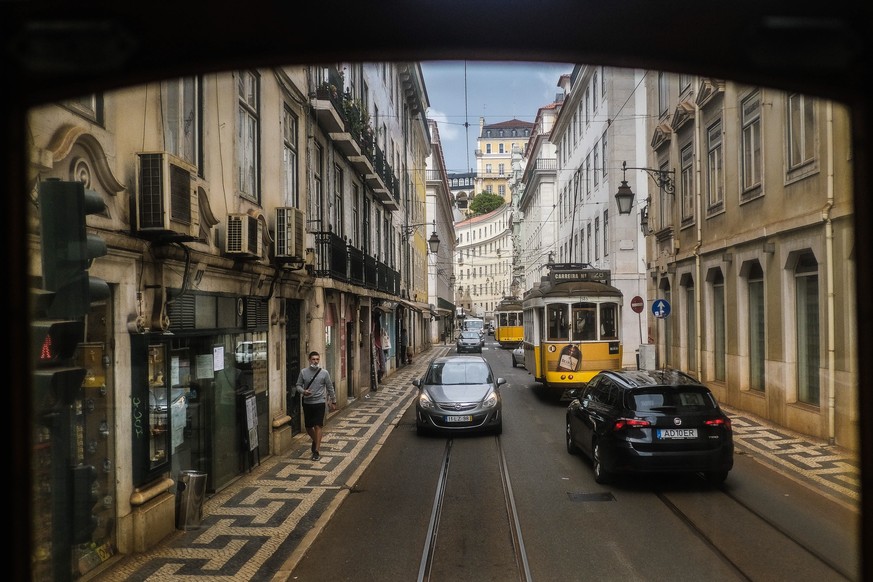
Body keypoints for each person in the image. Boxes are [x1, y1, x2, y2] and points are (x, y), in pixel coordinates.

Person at [295, 351, 336, 461]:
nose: (315, 361)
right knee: (308, 427)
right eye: (313, 359)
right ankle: (315, 440)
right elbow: (298, 385)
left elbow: (330, 387)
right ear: (309, 360)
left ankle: (316, 451)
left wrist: (333, 400)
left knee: (318, 426)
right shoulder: (303, 372)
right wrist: (303, 391)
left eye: (317, 359)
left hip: (319, 403)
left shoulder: (324, 373)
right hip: (307, 403)